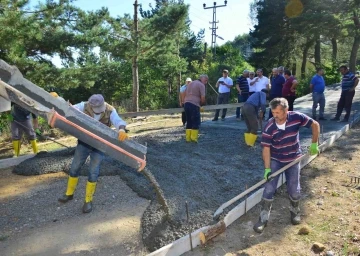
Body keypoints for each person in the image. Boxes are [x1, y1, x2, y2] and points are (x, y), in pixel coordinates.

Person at [253, 97, 320, 233]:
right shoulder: (269, 126)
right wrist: (267, 169)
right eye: (273, 113)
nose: (275, 115)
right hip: (276, 159)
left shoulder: (296, 117)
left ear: (286, 110)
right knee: (269, 188)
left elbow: (315, 125)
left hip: (294, 158)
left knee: (294, 189)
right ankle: (263, 218)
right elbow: (266, 149)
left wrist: (314, 143)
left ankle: (295, 211)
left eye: (278, 112)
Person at [58, 94, 129, 213]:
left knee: (93, 171)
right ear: (90, 105)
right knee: (74, 167)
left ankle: (88, 200)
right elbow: (68, 108)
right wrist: (58, 100)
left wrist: (121, 129)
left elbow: (118, 121)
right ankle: (69, 193)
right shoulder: (83, 105)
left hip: (100, 145)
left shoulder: (110, 110)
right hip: (84, 142)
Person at [183, 75, 208, 143]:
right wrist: (202, 104)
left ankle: (188, 138)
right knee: (195, 121)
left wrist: (183, 102)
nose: (206, 82)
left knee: (189, 121)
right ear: (202, 79)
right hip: (194, 104)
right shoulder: (201, 85)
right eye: (206, 80)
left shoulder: (190, 83)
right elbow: (203, 97)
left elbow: (183, 93)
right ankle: (194, 138)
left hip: (186, 103)